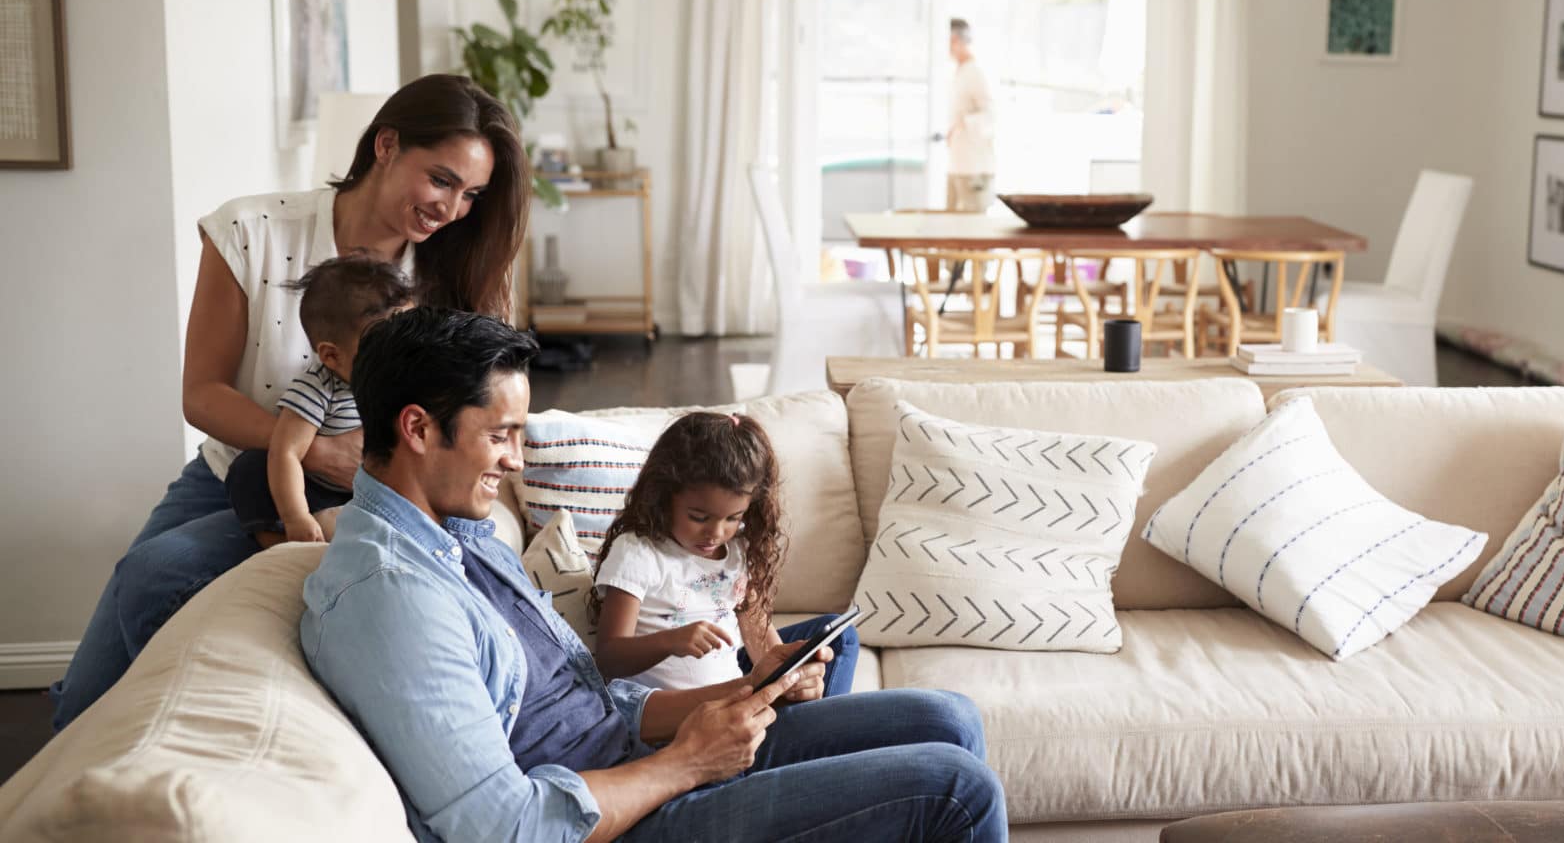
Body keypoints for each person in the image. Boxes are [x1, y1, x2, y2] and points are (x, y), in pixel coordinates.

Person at [302, 307, 1006, 842]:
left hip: (641, 755)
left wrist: (748, 690)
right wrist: (689, 763)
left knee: (947, 717)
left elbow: (594, 703)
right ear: (419, 430)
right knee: (955, 789)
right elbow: (503, 826)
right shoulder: (391, 599)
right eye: (499, 434)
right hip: (625, 815)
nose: (515, 460)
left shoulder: (462, 536)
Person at [51, 73, 530, 730]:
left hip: (364, 496)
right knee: (82, 701)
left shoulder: (449, 273)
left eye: (471, 194)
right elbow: (203, 394)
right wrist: (316, 448)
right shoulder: (253, 230)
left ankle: (186, 736)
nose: (452, 209)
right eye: (441, 179)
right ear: (386, 145)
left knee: (159, 574)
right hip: (236, 469)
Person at [590, 412, 859, 699]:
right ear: (664, 495)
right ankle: (816, 727)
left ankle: (813, 718)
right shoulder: (639, 553)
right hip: (687, 714)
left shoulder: (737, 551)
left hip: (738, 694)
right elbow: (608, 656)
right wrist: (670, 641)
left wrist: (791, 680)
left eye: (733, 518)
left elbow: (763, 645)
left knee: (840, 637)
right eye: (699, 517)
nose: (716, 532)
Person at [224, 254, 414, 548]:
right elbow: (285, 452)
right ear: (331, 356)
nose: (401, 357)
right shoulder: (318, 388)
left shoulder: (407, 380)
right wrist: (295, 515)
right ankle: (280, 542)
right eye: (383, 347)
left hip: (380, 492)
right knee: (251, 467)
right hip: (320, 493)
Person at [945, 17, 997, 213]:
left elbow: (991, 115)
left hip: (974, 167)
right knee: (950, 228)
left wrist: (962, 124)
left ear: (956, 40)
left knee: (972, 229)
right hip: (957, 164)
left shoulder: (977, 72)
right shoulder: (959, 72)